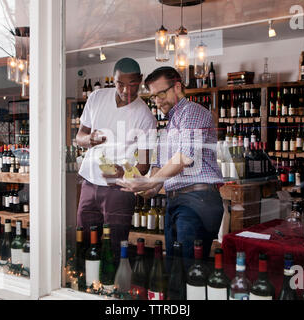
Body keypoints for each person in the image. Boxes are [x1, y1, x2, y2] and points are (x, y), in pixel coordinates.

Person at [117, 66, 224, 270]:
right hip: (176, 201)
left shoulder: (192, 112)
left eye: (161, 94)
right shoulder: (167, 127)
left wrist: (150, 181)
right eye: (153, 97)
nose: (157, 101)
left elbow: (184, 157)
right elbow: (158, 174)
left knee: (187, 271)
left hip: (197, 201)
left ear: (177, 87)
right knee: (174, 271)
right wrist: (144, 188)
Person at [75, 58, 157, 262]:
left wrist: (125, 172)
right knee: (83, 242)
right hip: (88, 182)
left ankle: (112, 289)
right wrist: (90, 140)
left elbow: (145, 163)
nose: (126, 90)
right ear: (114, 79)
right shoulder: (96, 98)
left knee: (113, 247)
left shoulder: (146, 116)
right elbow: (79, 137)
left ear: (141, 80)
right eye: (121, 83)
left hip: (119, 190)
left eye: (133, 84)